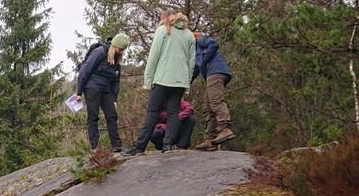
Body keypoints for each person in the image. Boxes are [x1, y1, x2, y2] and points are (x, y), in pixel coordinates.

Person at [125, 11, 196, 157]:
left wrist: (148, 80)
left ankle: (139, 147)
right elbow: (191, 62)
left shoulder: (163, 30)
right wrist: (186, 83)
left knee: (152, 112)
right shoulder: (189, 35)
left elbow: (154, 55)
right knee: (173, 113)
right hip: (179, 81)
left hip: (162, 78)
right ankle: (168, 145)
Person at [73, 32, 131, 151]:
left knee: (112, 115)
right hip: (92, 86)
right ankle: (95, 148)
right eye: (120, 49)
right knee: (93, 116)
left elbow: (116, 81)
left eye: (123, 50)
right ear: (115, 45)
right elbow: (85, 70)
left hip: (106, 88)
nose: (121, 52)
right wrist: (79, 92)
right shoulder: (100, 52)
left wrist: (114, 99)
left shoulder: (116, 60)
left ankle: (117, 145)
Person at [193, 31, 237, 149]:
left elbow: (214, 44)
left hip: (216, 72)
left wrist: (205, 61)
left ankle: (225, 128)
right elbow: (197, 67)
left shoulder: (198, 38)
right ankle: (210, 139)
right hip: (211, 76)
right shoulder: (195, 48)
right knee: (208, 107)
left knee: (216, 101)